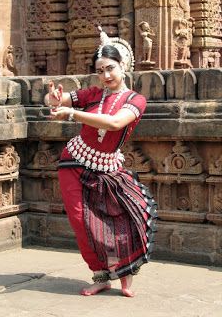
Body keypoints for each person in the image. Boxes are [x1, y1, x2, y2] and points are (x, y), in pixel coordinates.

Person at [44, 27, 157, 297]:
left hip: (108, 166)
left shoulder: (136, 100)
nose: (105, 76)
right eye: (100, 70)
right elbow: (54, 101)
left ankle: (126, 275)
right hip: (75, 161)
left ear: (123, 65)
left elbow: (116, 123)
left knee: (122, 218)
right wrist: (54, 99)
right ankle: (100, 275)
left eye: (110, 68)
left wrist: (73, 114)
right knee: (80, 220)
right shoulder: (93, 93)